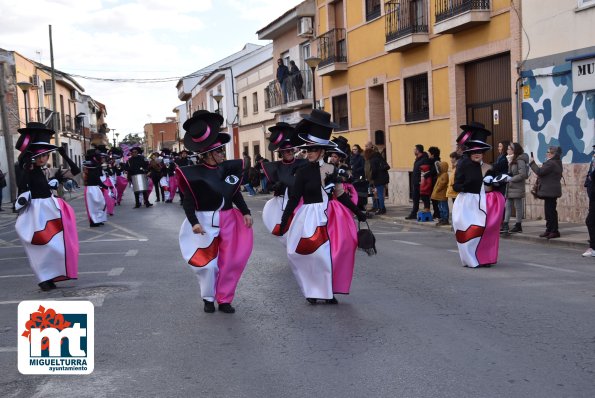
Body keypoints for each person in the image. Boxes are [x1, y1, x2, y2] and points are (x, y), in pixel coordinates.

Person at [278, 110, 366, 305]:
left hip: (331, 218)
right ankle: (312, 289)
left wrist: (359, 213)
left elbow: (341, 195)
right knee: (310, 254)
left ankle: (327, 291)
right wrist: (284, 221)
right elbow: (294, 198)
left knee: (330, 254)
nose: (308, 153)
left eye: (312, 150)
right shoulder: (301, 172)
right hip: (308, 217)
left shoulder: (332, 170)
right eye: (307, 150)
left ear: (322, 151)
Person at [177, 110, 253, 314]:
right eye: (219, 152)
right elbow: (188, 202)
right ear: (208, 154)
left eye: (222, 151)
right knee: (207, 265)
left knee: (231, 261)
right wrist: (193, 222)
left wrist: (245, 211)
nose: (222, 154)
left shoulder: (227, 169)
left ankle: (225, 299)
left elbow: (234, 193)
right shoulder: (194, 175)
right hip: (203, 220)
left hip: (229, 218)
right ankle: (208, 297)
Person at [14, 122, 80, 291]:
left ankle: (50, 276)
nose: (43, 159)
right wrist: (26, 165)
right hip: (35, 212)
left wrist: (64, 155)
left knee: (57, 244)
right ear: (32, 156)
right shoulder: (25, 169)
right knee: (41, 245)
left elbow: (75, 171)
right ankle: (43, 278)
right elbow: (21, 186)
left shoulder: (48, 171)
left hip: (51, 209)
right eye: (40, 156)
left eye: (46, 155)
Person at [452, 126, 505, 268]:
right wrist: (465, 187)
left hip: (484, 202)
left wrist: (497, 182)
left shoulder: (489, 167)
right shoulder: (463, 165)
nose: (477, 154)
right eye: (474, 152)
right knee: (469, 230)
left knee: (485, 230)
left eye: (480, 152)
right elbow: (456, 186)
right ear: (469, 153)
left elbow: (495, 185)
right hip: (466, 202)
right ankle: (470, 258)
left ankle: (484, 258)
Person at [261, 122, 308, 241]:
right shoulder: (275, 167)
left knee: (301, 233)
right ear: (281, 153)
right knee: (286, 235)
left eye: (291, 150)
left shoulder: (302, 164)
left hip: (300, 204)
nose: (290, 153)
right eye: (287, 151)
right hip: (281, 205)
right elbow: (268, 186)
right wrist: (274, 186)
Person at [530, 146, 563, 239]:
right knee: (549, 211)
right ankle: (549, 230)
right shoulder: (555, 162)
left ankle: (554, 231)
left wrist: (532, 163)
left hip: (550, 191)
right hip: (550, 191)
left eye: (548, 152)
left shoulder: (551, 163)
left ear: (553, 154)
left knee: (551, 212)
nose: (546, 153)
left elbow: (539, 171)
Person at [502, 142, 529, 234]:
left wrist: (511, 179)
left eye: (509, 149)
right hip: (510, 187)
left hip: (517, 187)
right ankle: (505, 224)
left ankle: (518, 225)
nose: (507, 150)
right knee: (507, 206)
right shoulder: (510, 159)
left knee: (518, 207)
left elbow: (523, 174)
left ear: (514, 150)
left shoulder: (520, 160)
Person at [83, 148, 109, 227]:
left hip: (96, 187)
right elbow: (95, 177)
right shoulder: (90, 165)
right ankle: (93, 221)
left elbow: (98, 177)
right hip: (90, 188)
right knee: (92, 206)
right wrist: (104, 185)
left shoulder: (96, 164)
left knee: (101, 203)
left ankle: (99, 219)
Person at [406, 145, 431, 219]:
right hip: (416, 182)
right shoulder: (418, 159)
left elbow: (425, 171)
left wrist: (422, 181)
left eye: (415, 149)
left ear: (418, 150)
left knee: (424, 197)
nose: (414, 151)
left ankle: (426, 211)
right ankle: (414, 213)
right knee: (415, 198)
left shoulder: (424, 159)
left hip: (421, 182)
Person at [368, 147, 390, 214]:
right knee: (380, 194)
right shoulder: (380, 157)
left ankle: (382, 208)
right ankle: (382, 207)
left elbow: (374, 171)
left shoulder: (373, 159)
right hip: (384, 178)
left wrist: (372, 178)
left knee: (379, 194)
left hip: (378, 178)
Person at [583, 145, 595, 257]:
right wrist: (587, 182)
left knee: (590, 221)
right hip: (592, 194)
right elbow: (589, 173)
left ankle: (593, 247)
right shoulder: (593, 158)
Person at [431, 159, 449, 225]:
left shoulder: (444, 174)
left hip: (442, 194)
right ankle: (442, 218)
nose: (439, 168)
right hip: (439, 195)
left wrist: (437, 189)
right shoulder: (441, 174)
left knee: (444, 207)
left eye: (440, 167)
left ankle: (445, 219)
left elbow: (442, 183)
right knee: (440, 207)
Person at [350, 144, 367, 211]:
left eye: (355, 149)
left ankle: (361, 207)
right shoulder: (351, 157)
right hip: (353, 177)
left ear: (358, 150)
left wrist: (355, 169)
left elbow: (363, 167)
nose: (354, 151)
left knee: (360, 192)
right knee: (354, 192)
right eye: (353, 149)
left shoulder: (361, 157)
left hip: (359, 177)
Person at [427, 146, 442, 219]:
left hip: (436, 182)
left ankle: (438, 213)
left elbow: (436, 171)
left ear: (432, 154)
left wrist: (428, 174)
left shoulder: (436, 162)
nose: (428, 155)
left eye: (429, 153)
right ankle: (436, 213)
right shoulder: (432, 161)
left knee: (435, 198)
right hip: (433, 181)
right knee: (433, 198)